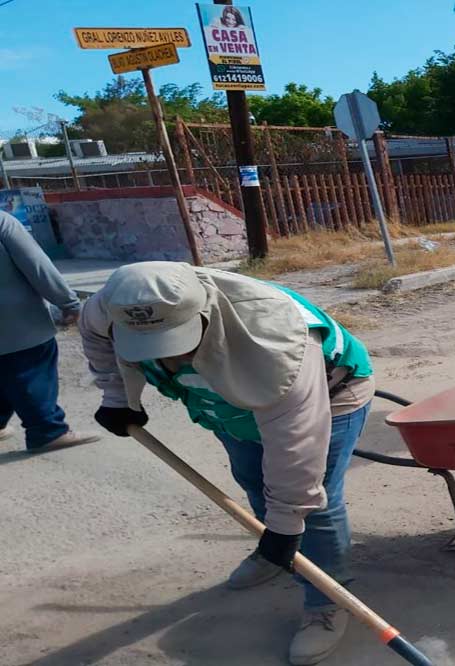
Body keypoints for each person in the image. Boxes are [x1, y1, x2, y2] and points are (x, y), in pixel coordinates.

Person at [79, 262, 375, 666]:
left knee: (314, 504)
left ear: (203, 314)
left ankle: (326, 600)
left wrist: (288, 523)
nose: (168, 357)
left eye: (175, 341)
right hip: (227, 400)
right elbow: (98, 344)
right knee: (253, 479)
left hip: (326, 393)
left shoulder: (275, 336)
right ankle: (272, 551)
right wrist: (116, 397)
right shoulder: (110, 307)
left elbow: (296, 446)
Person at [0, 210, 99, 453]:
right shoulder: (2, 221)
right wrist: (68, 302)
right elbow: (36, 263)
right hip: (17, 320)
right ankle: (47, 431)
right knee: (31, 371)